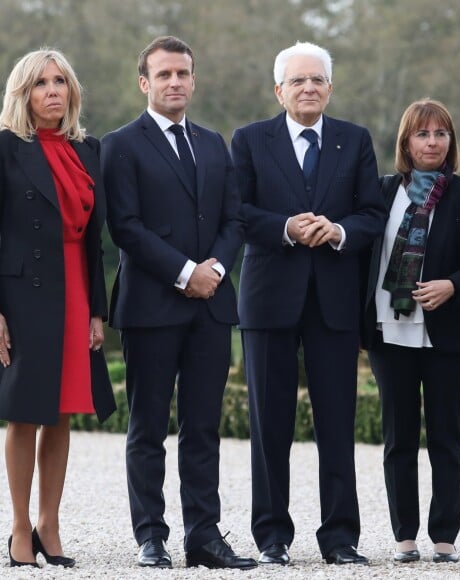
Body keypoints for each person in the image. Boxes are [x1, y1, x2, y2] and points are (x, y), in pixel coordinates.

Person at [101, 36, 256, 570]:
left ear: (193, 79)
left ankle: (204, 536)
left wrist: (212, 268)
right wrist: (185, 272)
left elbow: (233, 219)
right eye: (163, 74)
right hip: (151, 305)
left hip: (211, 305)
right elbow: (125, 226)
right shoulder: (120, 144)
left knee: (203, 428)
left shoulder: (215, 143)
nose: (174, 83)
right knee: (147, 427)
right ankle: (151, 535)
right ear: (144, 82)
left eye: (182, 74)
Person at [230, 41, 385, 566]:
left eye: (317, 79)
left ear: (330, 87)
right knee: (269, 424)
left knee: (337, 424)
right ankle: (272, 537)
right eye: (297, 81)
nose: (308, 88)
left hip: (334, 301)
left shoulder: (354, 140)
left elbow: (373, 214)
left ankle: (340, 537)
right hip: (270, 297)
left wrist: (338, 230)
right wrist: (286, 228)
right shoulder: (249, 141)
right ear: (279, 90)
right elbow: (238, 212)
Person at [0, 49, 116, 568]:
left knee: (63, 411)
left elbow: (96, 240)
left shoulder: (87, 149)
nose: (53, 91)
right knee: (25, 413)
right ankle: (20, 527)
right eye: (41, 83)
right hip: (23, 295)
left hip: (74, 290)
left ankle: (51, 523)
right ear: (23, 94)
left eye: (61, 82)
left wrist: (97, 309)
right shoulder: (4, 148)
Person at [361, 99, 460, 564]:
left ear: (450, 142)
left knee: (446, 436)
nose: (432, 142)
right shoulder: (380, 190)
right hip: (389, 329)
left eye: (441, 134)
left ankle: (444, 536)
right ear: (406, 143)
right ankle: (404, 536)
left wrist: (451, 285)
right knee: (399, 436)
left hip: (448, 331)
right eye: (422, 134)